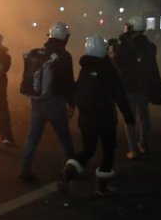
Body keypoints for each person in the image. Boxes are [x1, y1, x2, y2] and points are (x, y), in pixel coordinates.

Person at [57, 35, 135, 196]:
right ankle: (101, 187)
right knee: (108, 150)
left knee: (88, 149)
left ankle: (68, 171)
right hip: (105, 118)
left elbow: (78, 91)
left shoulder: (85, 69)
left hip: (86, 118)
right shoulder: (109, 69)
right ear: (104, 50)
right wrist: (128, 117)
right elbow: (119, 95)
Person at [18, 22, 76, 182]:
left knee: (33, 136)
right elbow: (68, 83)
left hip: (37, 102)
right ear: (65, 38)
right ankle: (70, 169)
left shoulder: (39, 53)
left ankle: (25, 169)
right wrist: (71, 103)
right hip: (55, 103)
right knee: (64, 136)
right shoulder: (64, 56)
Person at [113, 16, 161, 159]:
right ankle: (144, 144)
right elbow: (153, 67)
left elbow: (118, 63)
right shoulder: (151, 46)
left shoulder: (125, 46)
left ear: (131, 28)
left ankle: (133, 148)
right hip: (144, 87)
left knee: (130, 119)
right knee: (144, 117)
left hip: (129, 87)